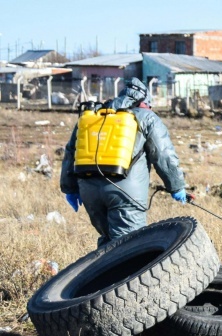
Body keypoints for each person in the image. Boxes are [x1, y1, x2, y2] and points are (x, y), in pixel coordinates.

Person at [60, 78, 187, 247]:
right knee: (129, 248)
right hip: (124, 192)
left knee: (108, 243)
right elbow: (164, 155)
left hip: (89, 191)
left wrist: (70, 189)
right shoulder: (147, 117)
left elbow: (71, 152)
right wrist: (176, 186)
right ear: (144, 102)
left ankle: (101, 273)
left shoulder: (93, 116)